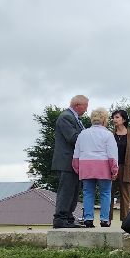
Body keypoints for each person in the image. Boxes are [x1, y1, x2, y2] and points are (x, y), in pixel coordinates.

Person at [74, 106, 119, 228]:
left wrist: (77, 168)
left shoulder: (83, 134)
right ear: (104, 120)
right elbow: (112, 154)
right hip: (103, 167)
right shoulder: (108, 135)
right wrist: (114, 170)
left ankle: (88, 219)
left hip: (86, 166)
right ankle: (104, 219)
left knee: (88, 193)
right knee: (105, 193)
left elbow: (76, 153)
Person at [50, 95, 87, 228]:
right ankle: (60, 218)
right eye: (85, 106)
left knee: (74, 191)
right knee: (66, 191)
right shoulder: (66, 117)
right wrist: (91, 138)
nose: (86, 110)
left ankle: (69, 218)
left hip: (74, 162)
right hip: (67, 161)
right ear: (77, 105)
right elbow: (72, 137)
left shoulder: (74, 118)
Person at [109, 109, 130, 224]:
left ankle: (125, 222)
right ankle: (106, 220)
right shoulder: (110, 135)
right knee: (108, 194)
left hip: (127, 168)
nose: (114, 119)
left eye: (117, 117)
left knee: (125, 195)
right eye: (113, 117)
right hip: (112, 168)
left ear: (124, 119)